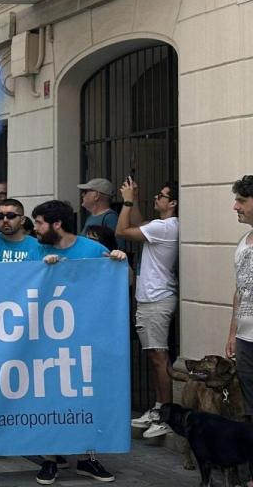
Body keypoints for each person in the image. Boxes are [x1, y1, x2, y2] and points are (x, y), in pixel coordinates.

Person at [31, 199, 126, 485]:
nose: (34, 228)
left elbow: (125, 283)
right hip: (48, 340)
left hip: (87, 338)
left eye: (39, 223)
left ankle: (87, 458)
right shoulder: (36, 251)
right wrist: (42, 270)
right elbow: (19, 286)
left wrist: (119, 263)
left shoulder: (93, 250)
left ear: (56, 224)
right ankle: (50, 459)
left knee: (87, 395)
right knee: (49, 397)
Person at [115, 179, 179, 439]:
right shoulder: (160, 226)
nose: (157, 198)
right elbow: (139, 225)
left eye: (161, 196)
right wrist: (138, 201)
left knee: (158, 357)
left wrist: (128, 201)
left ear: (172, 203)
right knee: (154, 356)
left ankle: (164, 412)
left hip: (156, 298)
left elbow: (122, 230)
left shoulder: (165, 227)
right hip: (151, 297)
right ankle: (157, 408)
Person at [226, 175, 253, 425]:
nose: (236, 206)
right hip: (245, 339)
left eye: (242, 200)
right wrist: (233, 333)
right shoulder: (243, 243)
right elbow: (239, 290)